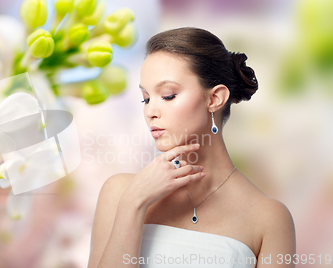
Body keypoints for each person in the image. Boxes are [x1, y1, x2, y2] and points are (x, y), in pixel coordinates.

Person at [87, 27, 296, 268]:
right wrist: (134, 203)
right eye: (145, 98)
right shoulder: (120, 192)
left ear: (214, 99)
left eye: (167, 95)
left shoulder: (270, 219)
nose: (150, 112)